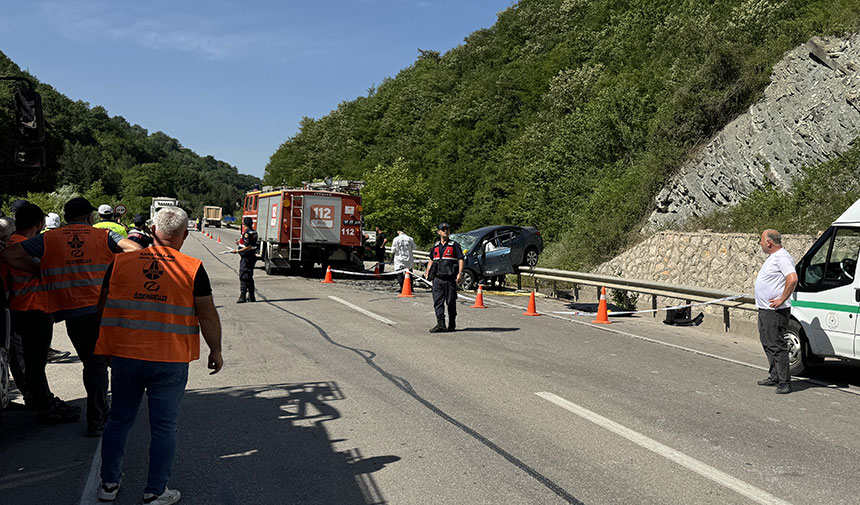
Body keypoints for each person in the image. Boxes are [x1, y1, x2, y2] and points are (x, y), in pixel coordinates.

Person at [94, 206, 223, 505]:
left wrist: (107, 347)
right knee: (164, 426)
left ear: (152, 231)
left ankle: (109, 484)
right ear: (185, 235)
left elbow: (102, 308)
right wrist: (215, 349)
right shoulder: (192, 268)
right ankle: (155, 491)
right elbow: (207, 315)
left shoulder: (120, 263)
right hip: (170, 359)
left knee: (119, 420)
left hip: (126, 354)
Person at [0, 197, 142, 436]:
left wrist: (41, 268)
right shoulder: (103, 236)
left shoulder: (49, 238)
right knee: (96, 363)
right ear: (89, 217)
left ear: (65, 217)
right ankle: (98, 418)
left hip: (70, 309)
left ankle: (96, 413)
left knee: (90, 360)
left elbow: (8, 255)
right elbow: (135, 250)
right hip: (99, 307)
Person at [5, 203, 79, 422]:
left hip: (16, 309)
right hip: (35, 309)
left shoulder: (9, 244)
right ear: (39, 224)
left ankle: (40, 399)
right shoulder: (30, 247)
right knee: (36, 364)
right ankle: (46, 408)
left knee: (24, 362)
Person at [754, 229, 798, 394]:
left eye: (761, 240)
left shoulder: (782, 257)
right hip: (765, 309)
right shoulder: (773, 258)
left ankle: (784, 382)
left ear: (769, 242)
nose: (760, 243)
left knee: (777, 345)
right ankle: (774, 376)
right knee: (767, 342)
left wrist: (781, 298)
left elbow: (792, 278)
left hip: (775, 310)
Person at [424, 222, 464, 333]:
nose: (445, 231)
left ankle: (452, 324)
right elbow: (431, 259)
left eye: (447, 229)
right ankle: (440, 324)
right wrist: (427, 271)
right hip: (437, 278)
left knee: (451, 301)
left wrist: (460, 273)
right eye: (443, 229)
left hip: (450, 278)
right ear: (439, 232)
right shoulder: (436, 246)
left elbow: (461, 259)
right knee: (438, 301)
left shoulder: (454, 245)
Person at [233, 216, 258, 303]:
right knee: (249, 276)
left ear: (244, 224)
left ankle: (242, 296)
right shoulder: (254, 232)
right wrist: (239, 243)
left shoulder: (247, 233)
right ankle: (251, 296)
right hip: (251, 257)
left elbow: (248, 246)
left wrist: (237, 251)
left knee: (243, 276)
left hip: (247, 258)